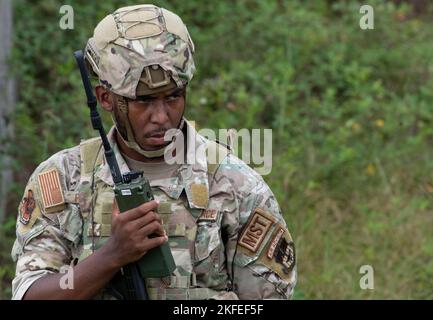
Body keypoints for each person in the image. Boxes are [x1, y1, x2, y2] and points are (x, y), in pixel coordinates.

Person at [11, 4, 297, 300]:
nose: (161, 117)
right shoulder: (63, 179)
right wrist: (111, 256)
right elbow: (30, 294)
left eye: (173, 96)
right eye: (144, 101)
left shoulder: (235, 185)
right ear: (106, 98)